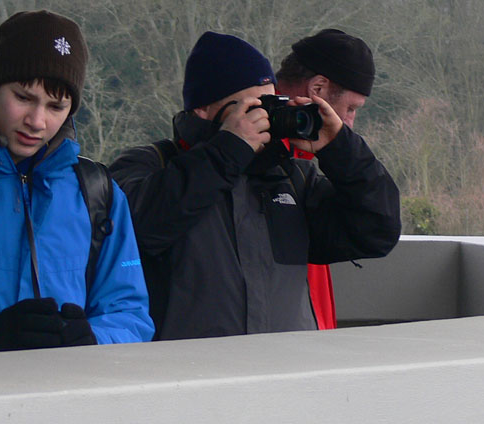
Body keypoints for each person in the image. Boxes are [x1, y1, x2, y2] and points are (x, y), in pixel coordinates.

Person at [110, 31, 400, 340]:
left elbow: (376, 231)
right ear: (203, 107)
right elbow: (135, 233)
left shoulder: (290, 179)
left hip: (285, 365)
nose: (263, 117)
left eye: (269, 105)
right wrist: (227, 152)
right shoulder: (149, 166)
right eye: (251, 107)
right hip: (188, 368)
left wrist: (340, 148)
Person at [0, 10, 153, 356]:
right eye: (23, 97)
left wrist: (93, 339)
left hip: (70, 387)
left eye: (56, 106)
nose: (37, 121)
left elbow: (131, 314)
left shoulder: (99, 192)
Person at [275, 28, 376, 329]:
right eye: (351, 109)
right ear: (317, 89)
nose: (349, 123)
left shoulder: (301, 158)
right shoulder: (268, 157)